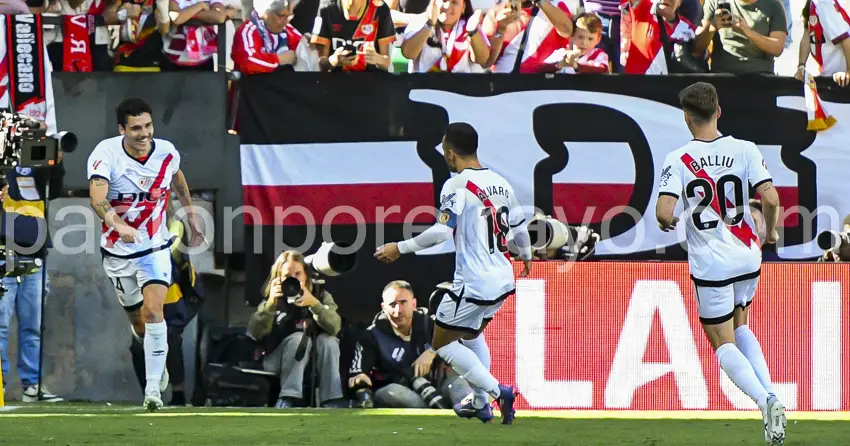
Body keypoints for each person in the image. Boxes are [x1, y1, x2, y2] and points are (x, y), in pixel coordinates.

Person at [375, 122, 533, 425]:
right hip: (503, 277)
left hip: (476, 283)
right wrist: (525, 255)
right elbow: (519, 226)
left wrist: (401, 247)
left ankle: (497, 392)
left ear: (450, 153)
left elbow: (441, 232)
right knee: (472, 336)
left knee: (442, 343)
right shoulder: (501, 182)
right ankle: (479, 404)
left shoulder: (456, 184)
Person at [655, 82, 786, 445]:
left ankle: (766, 400)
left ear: (686, 117)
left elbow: (664, 212)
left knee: (720, 340)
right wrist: (769, 233)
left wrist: (669, 221)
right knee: (741, 322)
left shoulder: (678, 158)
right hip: (748, 255)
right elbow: (771, 197)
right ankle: (772, 394)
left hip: (711, 264)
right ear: (719, 111)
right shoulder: (744, 148)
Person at [87, 98, 204, 411]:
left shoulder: (166, 152)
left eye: (148, 126)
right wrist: (117, 223)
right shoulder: (105, 154)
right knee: (140, 325)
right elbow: (97, 199)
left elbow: (177, 178)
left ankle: (152, 391)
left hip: (154, 246)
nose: (144, 133)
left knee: (155, 312)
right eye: (136, 128)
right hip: (117, 250)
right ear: (122, 129)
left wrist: (191, 215)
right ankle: (156, 356)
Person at [0, 121, 65, 403]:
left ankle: (32, 385)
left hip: (35, 250)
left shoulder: (37, 165)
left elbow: (56, 189)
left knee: (32, 326)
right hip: (3, 251)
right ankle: (0, 384)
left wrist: (57, 162)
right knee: (0, 326)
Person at [348, 280, 473, 408]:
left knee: (459, 385)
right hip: (396, 389)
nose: (398, 310)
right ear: (383, 307)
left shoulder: (430, 324)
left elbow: (457, 345)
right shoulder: (371, 335)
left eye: (403, 302)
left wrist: (432, 352)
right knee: (404, 396)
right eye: (392, 304)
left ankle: (470, 417)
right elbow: (358, 372)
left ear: (414, 304)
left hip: (436, 385)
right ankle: (434, 420)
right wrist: (359, 378)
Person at [247, 250, 344, 408]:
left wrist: (314, 305)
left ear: (306, 275)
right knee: (298, 339)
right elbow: (255, 332)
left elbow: (335, 327)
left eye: (298, 273)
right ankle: (289, 397)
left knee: (329, 340)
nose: (293, 278)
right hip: (276, 358)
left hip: (314, 359)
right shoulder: (272, 297)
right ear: (278, 277)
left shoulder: (320, 295)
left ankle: (331, 400)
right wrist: (271, 304)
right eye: (287, 275)